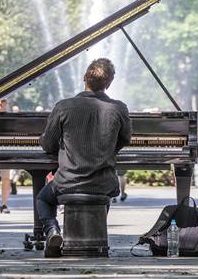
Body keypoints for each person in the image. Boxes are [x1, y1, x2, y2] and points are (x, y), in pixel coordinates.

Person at [36, 58, 131, 257]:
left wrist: (51, 144)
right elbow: (125, 139)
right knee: (103, 194)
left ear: (84, 78)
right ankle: (93, 237)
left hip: (67, 181)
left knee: (43, 199)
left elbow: (49, 144)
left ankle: (52, 230)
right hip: (103, 182)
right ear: (109, 83)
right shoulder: (119, 108)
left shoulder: (64, 106)